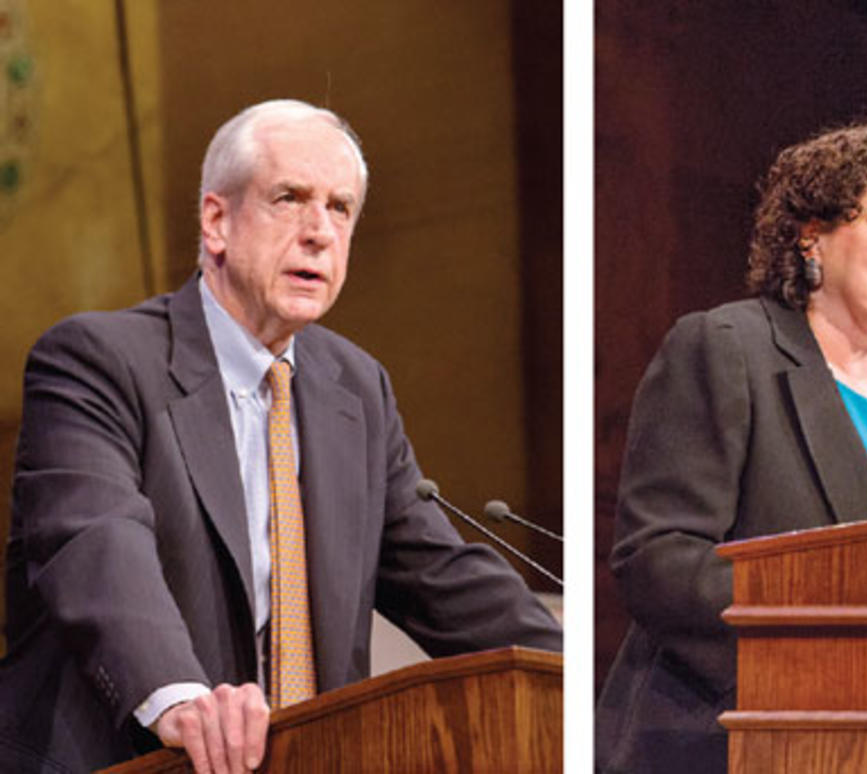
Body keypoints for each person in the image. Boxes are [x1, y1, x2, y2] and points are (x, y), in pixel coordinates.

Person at [0, 99, 562, 773]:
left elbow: (438, 574)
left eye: (341, 208)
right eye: (290, 198)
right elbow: (98, 543)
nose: (319, 232)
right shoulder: (98, 362)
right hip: (122, 759)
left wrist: (574, 668)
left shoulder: (355, 388)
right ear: (217, 222)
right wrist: (179, 695)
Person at [595, 118, 867, 772]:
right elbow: (658, 562)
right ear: (814, 234)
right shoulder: (728, 348)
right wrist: (834, 621)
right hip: (737, 738)